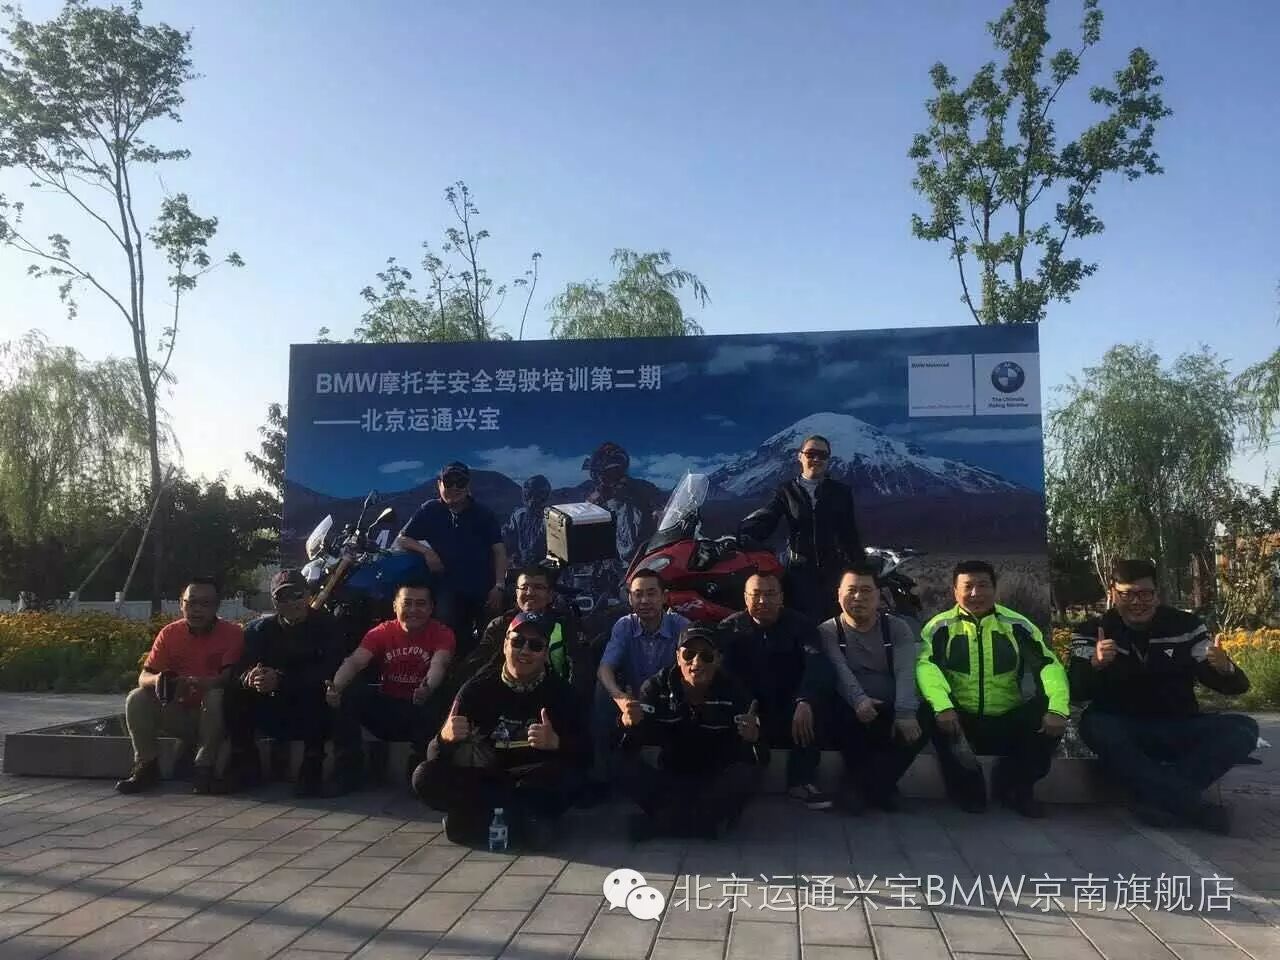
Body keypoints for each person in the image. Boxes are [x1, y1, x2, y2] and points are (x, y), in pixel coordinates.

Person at [1070, 559, 1257, 835]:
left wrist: (1225, 668)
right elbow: (1076, 691)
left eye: (1145, 594)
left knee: (1244, 729)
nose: (1137, 602)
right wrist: (1095, 665)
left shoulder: (1185, 626)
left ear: (1157, 594)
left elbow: (1234, 688)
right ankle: (1191, 806)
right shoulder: (1092, 632)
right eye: (1127, 594)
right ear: (1113, 594)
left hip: (1178, 725)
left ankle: (1157, 798)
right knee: (1094, 724)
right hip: (1124, 728)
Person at [412, 611, 588, 849]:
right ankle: (521, 823)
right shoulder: (476, 689)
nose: (524, 651)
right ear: (505, 645)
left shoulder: (562, 693)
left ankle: (478, 820)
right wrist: (444, 738)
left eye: (535, 646)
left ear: (545, 653)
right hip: (486, 777)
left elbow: (587, 754)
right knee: (424, 775)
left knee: (567, 779)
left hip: (532, 779)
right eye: (517, 642)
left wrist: (557, 743)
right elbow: (435, 755)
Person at [917, 560, 1069, 817]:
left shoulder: (1017, 625)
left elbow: (1047, 665)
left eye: (983, 585)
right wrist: (943, 706)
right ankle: (967, 786)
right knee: (928, 710)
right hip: (959, 722)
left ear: (995, 589)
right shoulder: (939, 627)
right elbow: (926, 667)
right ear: (955, 591)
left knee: (1051, 709)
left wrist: (1058, 707)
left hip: (1006, 719)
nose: (976, 593)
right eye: (968, 586)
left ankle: (1018, 788)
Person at [618, 623, 763, 841]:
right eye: (689, 654)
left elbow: (759, 753)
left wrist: (753, 738)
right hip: (670, 779)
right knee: (619, 764)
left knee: (747, 773)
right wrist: (628, 724)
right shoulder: (656, 687)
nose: (697, 662)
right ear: (677, 657)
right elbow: (633, 744)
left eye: (706, 656)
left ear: (718, 659)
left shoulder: (734, 691)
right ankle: (702, 826)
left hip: (714, 781)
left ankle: (664, 824)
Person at [811, 564, 927, 812]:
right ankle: (882, 791)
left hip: (891, 707)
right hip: (851, 708)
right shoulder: (828, 631)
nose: (858, 597)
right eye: (851, 590)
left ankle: (864, 790)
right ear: (839, 594)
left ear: (878, 595)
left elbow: (905, 671)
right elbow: (840, 671)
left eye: (866, 590)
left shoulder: (897, 628)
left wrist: (905, 713)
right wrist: (859, 701)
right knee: (844, 718)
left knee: (924, 718)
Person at [116, 578, 244, 795]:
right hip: (180, 711)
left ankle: (204, 768)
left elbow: (227, 678)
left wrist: (197, 682)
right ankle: (147, 765)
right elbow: (144, 676)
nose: (197, 610)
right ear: (181, 604)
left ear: (216, 606)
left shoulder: (233, 634)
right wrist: (159, 680)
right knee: (137, 698)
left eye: (205, 604)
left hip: (217, 717)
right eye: (191, 603)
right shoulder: (169, 633)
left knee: (216, 696)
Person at [223, 570, 344, 796]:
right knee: (233, 693)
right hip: (272, 706)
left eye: (296, 595)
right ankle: (245, 762)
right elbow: (238, 671)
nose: (290, 602)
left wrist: (280, 679)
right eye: (282, 597)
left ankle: (312, 764)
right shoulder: (258, 631)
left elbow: (330, 669)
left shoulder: (329, 627)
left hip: (311, 709)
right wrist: (251, 677)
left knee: (321, 689)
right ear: (274, 602)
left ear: (307, 595)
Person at [720, 572, 833, 810]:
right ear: (745, 598)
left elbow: (816, 664)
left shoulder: (801, 626)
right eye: (756, 595)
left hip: (789, 705)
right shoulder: (730, 628)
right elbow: (724, 675)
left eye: (770, 594)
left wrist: (805, 700)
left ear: (781, 597)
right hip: (748, 706)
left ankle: (801, 781)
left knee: (814, 707)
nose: (763, 601)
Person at [328, 582, 455, 790]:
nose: (413, 610)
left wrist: (428, 688)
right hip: (389, 707)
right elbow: (355, 662)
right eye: (407, 603)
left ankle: (420, 775)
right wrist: (336, 687)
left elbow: (439, 664)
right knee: (348, 696)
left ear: (431, 608)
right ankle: (347, 771)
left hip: (420, 709)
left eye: (421, 604)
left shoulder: (443, 633)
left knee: (439, 701)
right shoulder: (381, 632)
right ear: (395, 606)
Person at [739, 433, 862, 621]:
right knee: (800, 623)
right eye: (811, 454)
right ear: (800, 456)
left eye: (823, 455)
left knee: (833, 625)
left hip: (834, 571)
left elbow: (849, 533)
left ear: (828, 460)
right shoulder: (786, 491)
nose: (816, 459)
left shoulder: (841, 492)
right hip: (798, 573)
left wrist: (861, 567)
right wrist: (746, 534)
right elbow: (769, 516)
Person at [590, 570, 690, 792]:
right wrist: (621, 700)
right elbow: (605, 669)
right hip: (634, 703)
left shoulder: (681, 626)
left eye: (651, 593)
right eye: (638, 594)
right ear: (630, 599)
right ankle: (601, 776)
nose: (644, 600)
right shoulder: (624, 626)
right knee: (602, 690)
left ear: (664, 597)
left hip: (669, 701)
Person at [395, 461, 506, 653]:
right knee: (448, 639)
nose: (454, 488)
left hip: (483, 589)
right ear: (439, 484)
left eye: (460, 483)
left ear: (468, 486)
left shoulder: (483, 514)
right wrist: (427, 552)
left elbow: (499, 551)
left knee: (489, 641)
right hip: (448, 589)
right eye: (449, 482)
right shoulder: (429, 510)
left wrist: (499, 586)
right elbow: (402, 539)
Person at [475, 564, 580, 685]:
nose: (530, 593)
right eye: (524, 587)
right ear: (516, 593)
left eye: (538, 587)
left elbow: (580, 670)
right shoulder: (500, 625)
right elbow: (476, 666)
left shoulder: (566, 625)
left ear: (550, 595)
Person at [503, 475, 551, 567]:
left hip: (545, 569)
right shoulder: (519, 516)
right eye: (528, 495)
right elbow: (509, 541)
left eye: (537, 496)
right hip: (522, 568)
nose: (532, 500)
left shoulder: (550, 520)